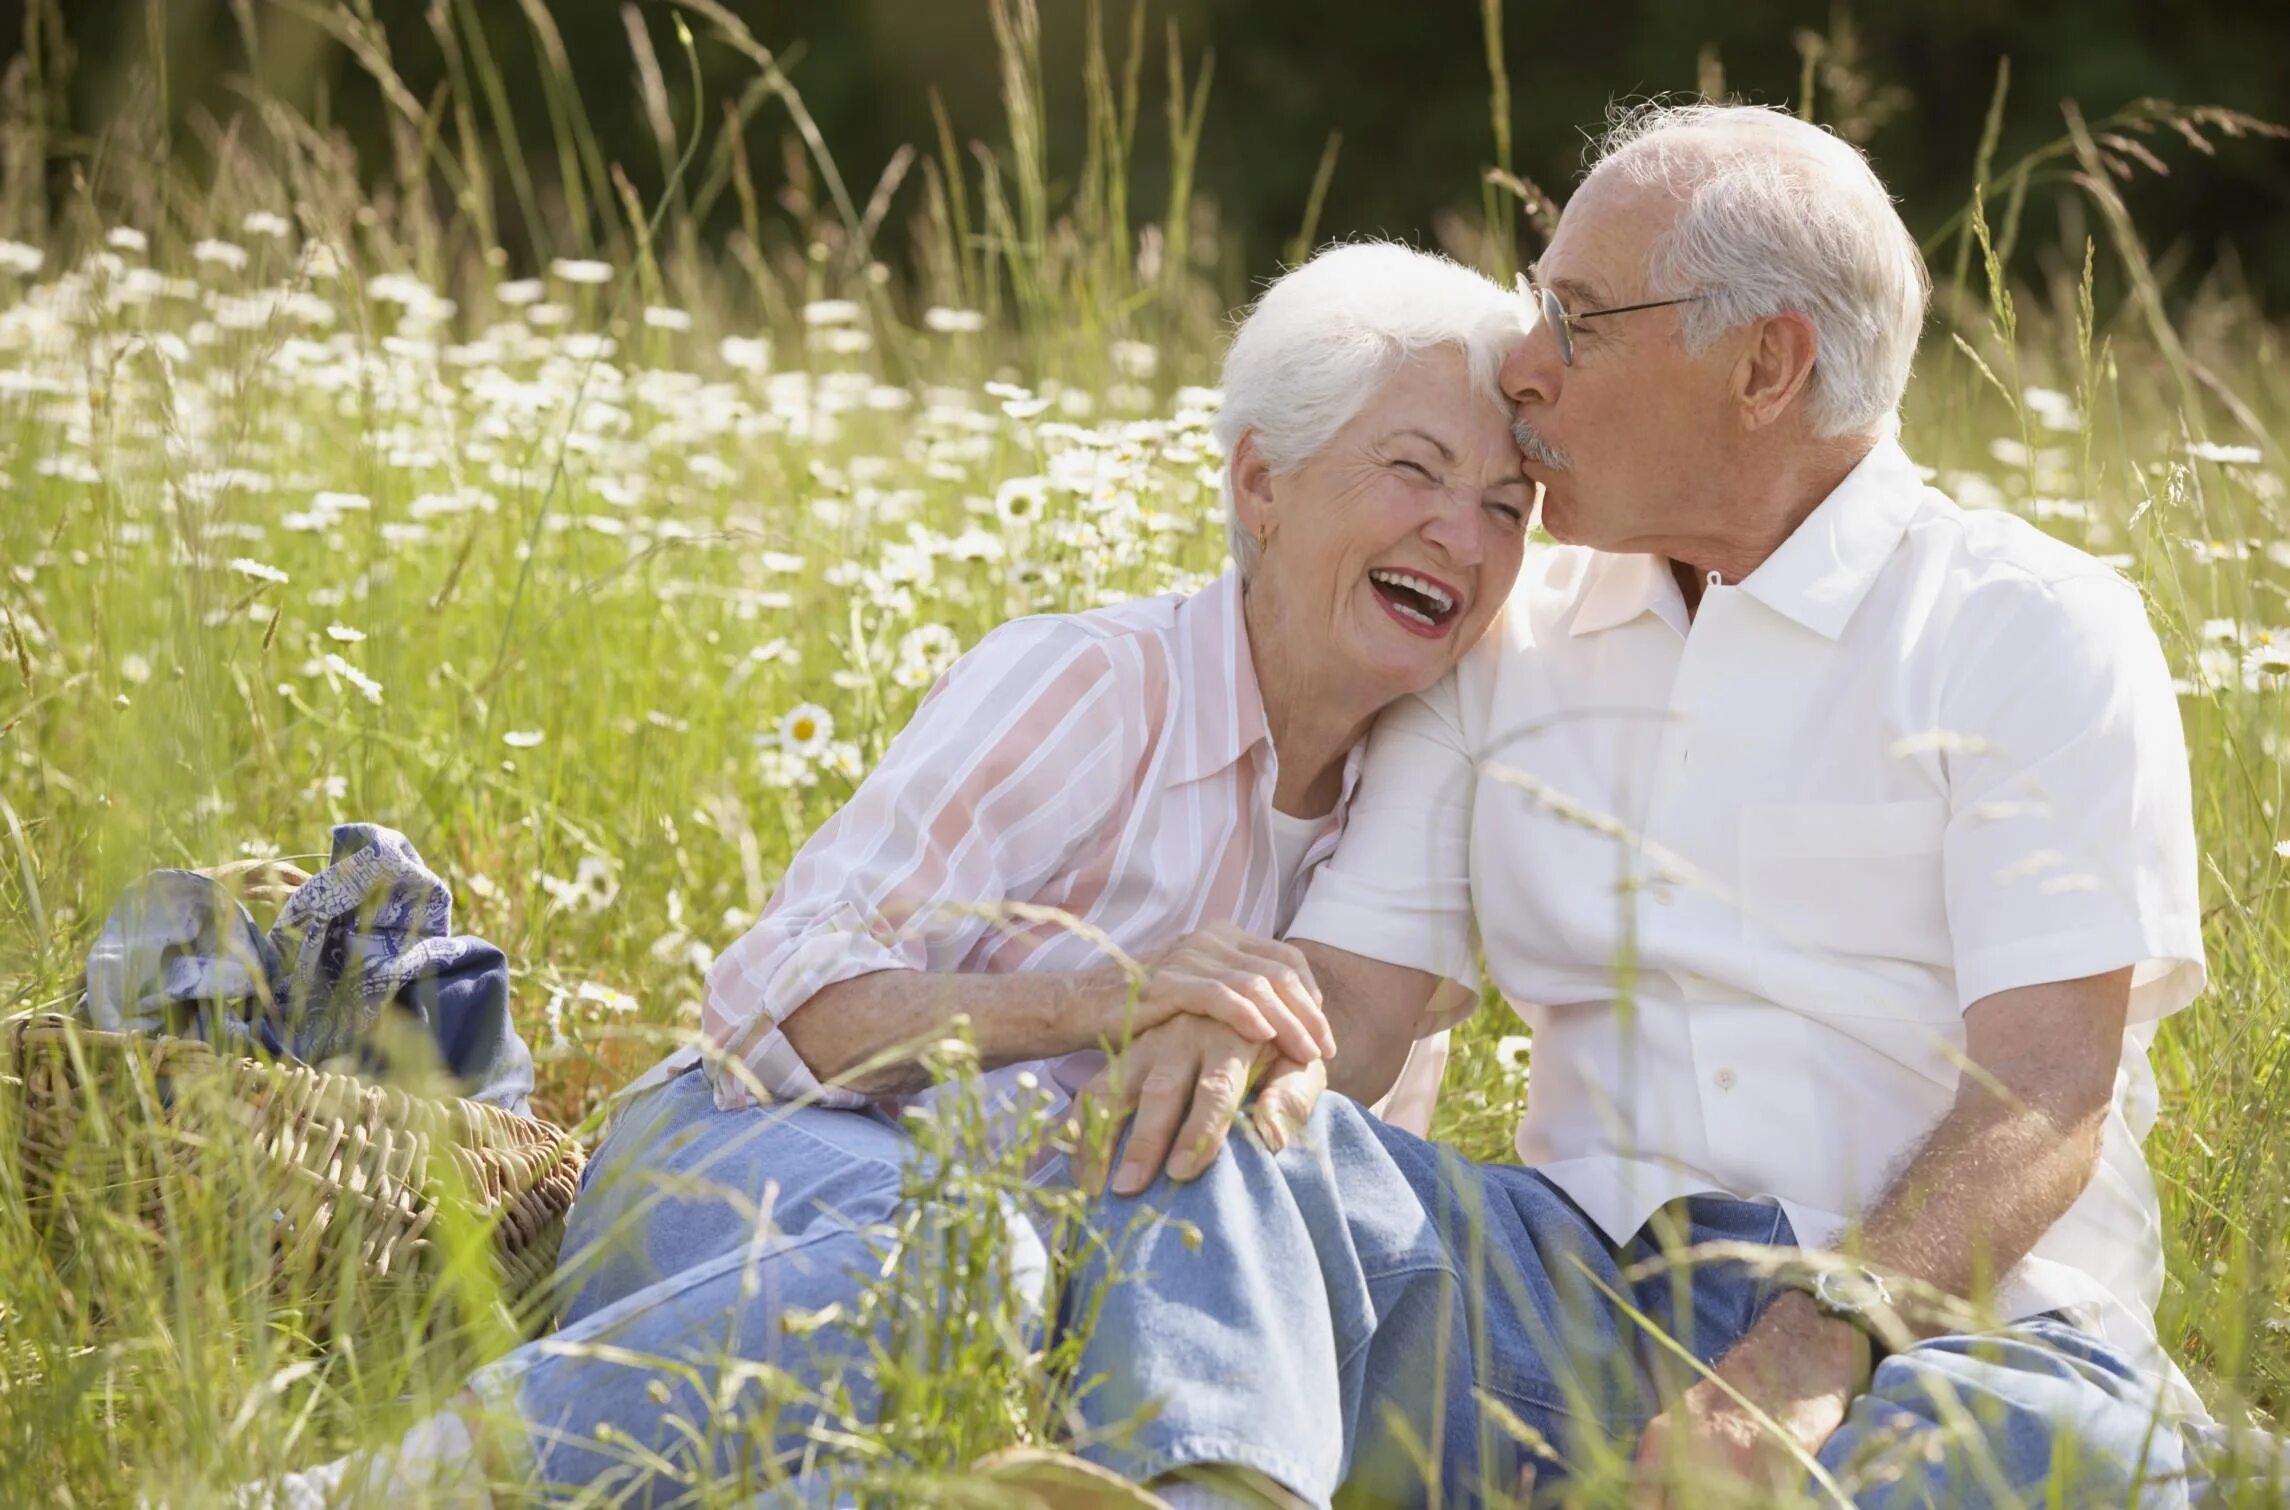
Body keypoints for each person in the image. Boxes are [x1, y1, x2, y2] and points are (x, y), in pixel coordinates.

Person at [1058, 102, 2228, 1509]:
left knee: (2032, 1459)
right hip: (1565, 1297)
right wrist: (1224, 1031)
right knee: (1224, 1141)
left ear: (1764, 365)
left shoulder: (2027, 628)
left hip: (1953, 1339)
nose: (1518, 365)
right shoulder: (1508, 630)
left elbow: (2043, 1097)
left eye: (1576, 318)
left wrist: (1802, 1352)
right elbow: (1355, 1007)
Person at [258, 240, 1531, 1507]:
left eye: (1504, 508)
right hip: (760, 1160)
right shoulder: (1096, 684)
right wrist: (1112, 1000)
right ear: (1262, 482)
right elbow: (777, 999)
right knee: (973, 1269)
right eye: (1413, 471)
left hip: (1044, 1316)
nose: (1460, 536)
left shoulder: (1411, 854)